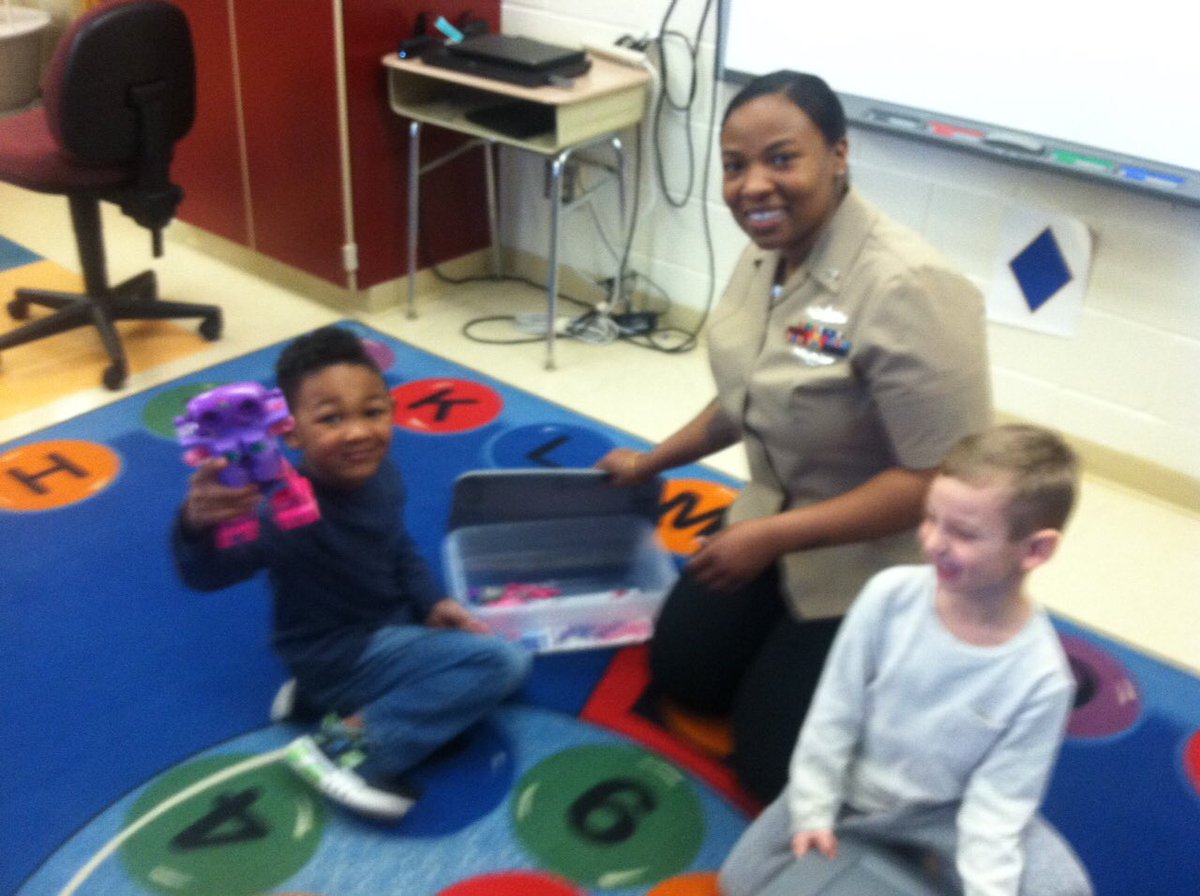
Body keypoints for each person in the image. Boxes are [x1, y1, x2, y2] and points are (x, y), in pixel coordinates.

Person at [596, 70, 992, 801]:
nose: (753, 186)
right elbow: (750, 396)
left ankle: (924, 664)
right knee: (686, 672)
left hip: (880, 564)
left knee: (772, 768)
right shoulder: (766, 254)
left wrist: (770, 541)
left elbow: (944, 481)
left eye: (783, 158)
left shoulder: (908, 287)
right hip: (776, 518)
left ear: (839, 155)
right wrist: (651, 462)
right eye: (735, 165)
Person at [172, 325, 531, 820]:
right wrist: (197, 523)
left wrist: (433, 602)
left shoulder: (383, 473)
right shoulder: (284, 510)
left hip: (383, 628)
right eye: (331, 418)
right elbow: (208, 573)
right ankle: (342, 749)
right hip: (337, 652)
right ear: (288, 429)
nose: (359, 432)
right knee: (501, 664)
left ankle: (316, 698)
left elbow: (399, 545)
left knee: (482, 649)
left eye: (373, 412)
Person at [719, 424, 1093, 896]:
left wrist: (988, 889)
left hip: (944, 814)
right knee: (741, 879)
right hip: (852, 792)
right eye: (930, 518)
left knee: (1062, 887)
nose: (934, 542)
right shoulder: (888, 596)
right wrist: (815, 808)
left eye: (964, 533)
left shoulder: (1042, 678)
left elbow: (999, 803)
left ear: (1036, 550)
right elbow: (834, 713)